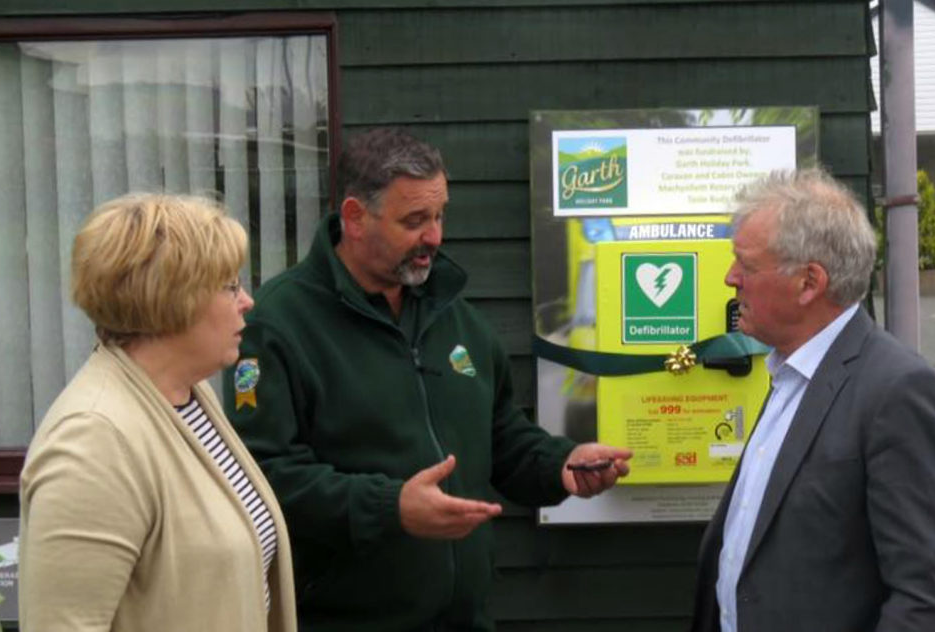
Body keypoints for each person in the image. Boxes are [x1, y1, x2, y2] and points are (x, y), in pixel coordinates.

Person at [225, 127, 632, 631]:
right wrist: (389, 507)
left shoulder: (455, 317)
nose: (435, 236)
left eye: (439, 216)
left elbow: (500, 436)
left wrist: (559, 464)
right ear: (354, 217)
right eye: (414, 220)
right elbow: (261, 477)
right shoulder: (278, 324)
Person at [690, 168, 935, 632]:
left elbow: (924, 600)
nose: (730, 278)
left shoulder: (898, 393)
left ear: (808, 283)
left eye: (747, 265)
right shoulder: (790, 370)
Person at [19, 194, 296, 632]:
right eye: (229, 285)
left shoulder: (188, 395)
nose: (247, 301)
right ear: (172, 297)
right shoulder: (94, 440)